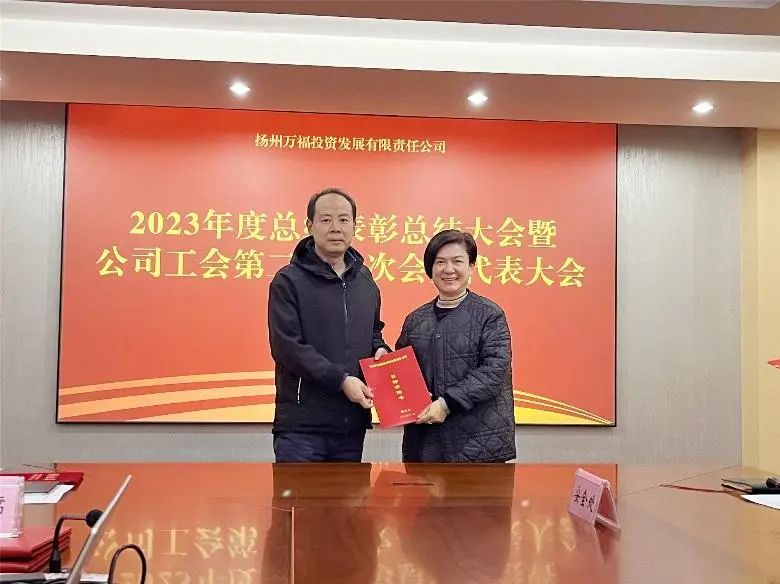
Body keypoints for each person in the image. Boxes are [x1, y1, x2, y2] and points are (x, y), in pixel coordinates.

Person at [268, 187, 390, 462]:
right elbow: (287, 347)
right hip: (302, 429)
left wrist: (380, 351)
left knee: (349, 493)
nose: (336, 227)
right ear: (309, 226)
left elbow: (373, 332)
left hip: (351, 425)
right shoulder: (288, 281)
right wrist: (341, 380)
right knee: (298, 492)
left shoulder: (365, 281)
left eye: (344, 219)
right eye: (326, 219)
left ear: (355, 226)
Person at [396, 229, 515, 462]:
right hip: (426, 444)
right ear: (430, 269)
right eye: (440, 262)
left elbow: (494, 372)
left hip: (479, 445)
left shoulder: (490, 315)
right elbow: (401, 371)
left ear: (471, 266)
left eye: (457, 261)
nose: (448, 269)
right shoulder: (415, 320)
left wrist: (446, 403)